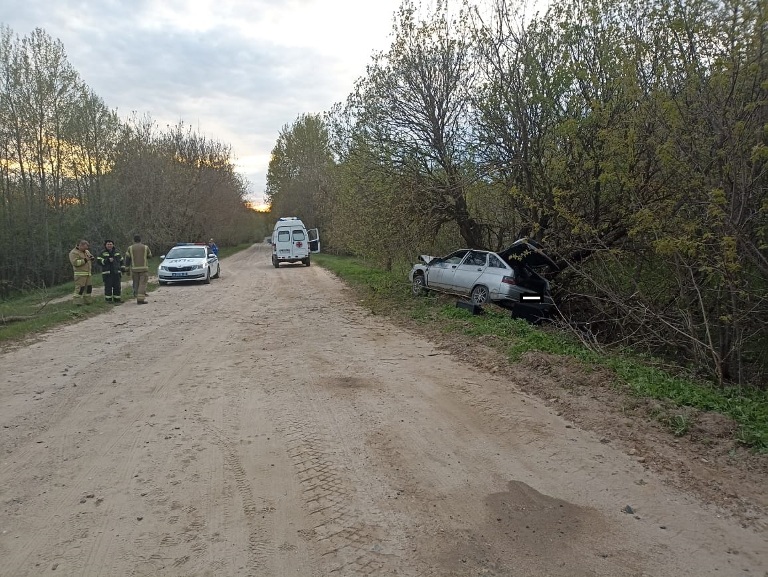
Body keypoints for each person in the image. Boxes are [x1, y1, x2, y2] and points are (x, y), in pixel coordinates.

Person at [125, 234, 152, 305]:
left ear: (133, 240)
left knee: (136, 284)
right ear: (140, 240)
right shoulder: (145, 247)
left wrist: (127, 269)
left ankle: (136, 295)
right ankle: (140, 300)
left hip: (134, 269)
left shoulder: (130, 248)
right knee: (142, 284)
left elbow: (127, 259)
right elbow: (150, 256)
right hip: (144, 269)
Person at [68, 239, 95, 305]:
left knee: (89, 288)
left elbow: (90, 257)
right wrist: (85, 260)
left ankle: (88, 302)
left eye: (87, 247)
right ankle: (77, 303)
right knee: (80, 289)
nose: (87, 248)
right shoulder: (73, 252)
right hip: (80, 274)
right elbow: (75, 263)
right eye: (85, 247)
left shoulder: (86, 251)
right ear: (80, 245)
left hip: (88, 274)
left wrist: (92, 258)